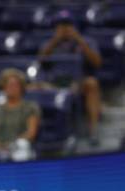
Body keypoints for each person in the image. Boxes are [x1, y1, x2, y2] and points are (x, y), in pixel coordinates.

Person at [39, 9, 102, 140]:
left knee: (92, 84)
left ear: (74, 25)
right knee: (27, 87)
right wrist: (55, 41)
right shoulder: (49, 43)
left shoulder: (86, 41)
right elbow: (41, 61)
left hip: (77, 82)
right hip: (54, 82)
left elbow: (97, 63)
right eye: (61, 24)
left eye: (67, 24)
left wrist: (79, 40)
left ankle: (94, 130)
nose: (64, 28)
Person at [0, 68, 40, 155]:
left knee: (22, 147)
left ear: (21, 87)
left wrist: (12, 145)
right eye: (8, 85)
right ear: (3, 87)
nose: (11, 88)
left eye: (15, 85)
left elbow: (31, 133)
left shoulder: (30, 107)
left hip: (20, 147)